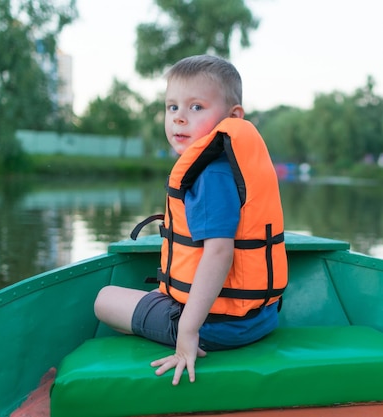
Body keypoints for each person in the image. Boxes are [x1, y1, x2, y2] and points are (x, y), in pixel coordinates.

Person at [94, 55, 288, 386]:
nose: (180, 119)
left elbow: (219, 253)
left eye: (196, 107)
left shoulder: (209, 175)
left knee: (104, 301)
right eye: (172, 108)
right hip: (260, 319)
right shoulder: (229, 167)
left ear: (232, 116)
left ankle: (176, 327)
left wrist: (187, 332)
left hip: (219, 327)